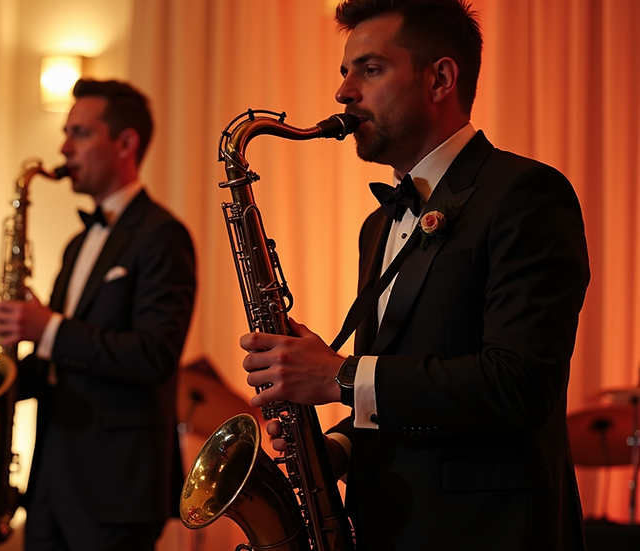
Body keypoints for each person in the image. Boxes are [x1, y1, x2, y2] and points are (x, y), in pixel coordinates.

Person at [239, 1, 591, 549]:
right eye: (344, 71)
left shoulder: (525, 194)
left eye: (370, 69)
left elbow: (521, 385)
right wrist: (335, 448)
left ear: (440, 79)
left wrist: (339, 378)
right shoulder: (377, 224)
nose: (343, 92)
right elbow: (405, 383)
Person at [0, 78, 197, 551]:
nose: (63, 147)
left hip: (117, 484)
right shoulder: (77, 244)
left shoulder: (163, 235)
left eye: (79, 133)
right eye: (66, 133)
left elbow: (155, 354)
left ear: (125, 143)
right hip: (50, 480)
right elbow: (63, 362)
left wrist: (49, 328)